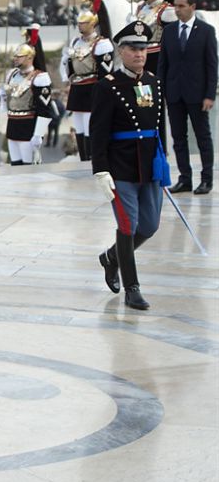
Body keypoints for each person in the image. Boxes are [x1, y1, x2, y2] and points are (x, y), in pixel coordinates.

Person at [91, 20, 168, 310]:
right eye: (133, 49)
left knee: (149, 226)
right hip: (120, 165)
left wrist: (163, 160)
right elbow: (98, 131)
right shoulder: (108, 87)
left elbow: (159, 126)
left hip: (148, 165)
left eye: (143, 49)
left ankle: (111, 258)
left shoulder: (153, 82)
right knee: (127, 224)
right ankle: (132, 287)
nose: (140, 54)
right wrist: (100, 170)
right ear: (120, 51)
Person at [157, 0, 217, 195]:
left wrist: (210, 95)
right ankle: (185, 179)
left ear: (192, 6)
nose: (177, 10)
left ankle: (207, 179)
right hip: (174, 94)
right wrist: (161, 92)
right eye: (176, 5)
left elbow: (212, 65)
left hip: (198, 95)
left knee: (203, 138)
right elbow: (163, 65)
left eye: (182, 6)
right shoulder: (169, 31)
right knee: (178, 138)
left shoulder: (206, 31)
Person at [59, 0, 114, 161]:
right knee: (79, 127)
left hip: (92, 87)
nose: (80, 26)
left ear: (92, 23)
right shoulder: (75, 42)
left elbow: (106, 71)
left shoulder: (102, 44)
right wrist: (66, 76)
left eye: (83, 23)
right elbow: (67, 65)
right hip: (77, 86)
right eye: (79, 23)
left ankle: (93, 157)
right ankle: (83, 157)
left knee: (91, 125)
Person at [1, 25, 53, 165]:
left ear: (30, 57)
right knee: (15, 167)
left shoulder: (39, 78)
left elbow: (44, 109)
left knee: (28, 169)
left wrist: (38, 134)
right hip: (12, 127)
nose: (16, 59)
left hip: (28, 128)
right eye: (15, 56)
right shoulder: (12, 74)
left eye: (19, 56)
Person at [130, 0, 177, 76]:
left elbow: (172, 44)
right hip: (137, 56)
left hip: (156, 58)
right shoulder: (140, 7)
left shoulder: (167, 11)